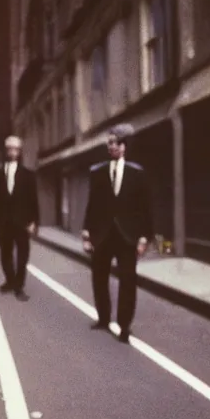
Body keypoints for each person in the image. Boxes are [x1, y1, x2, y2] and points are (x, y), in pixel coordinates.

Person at [81, 124, 153, 343]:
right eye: (109, 143)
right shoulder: (97, 172)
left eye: (114, 143)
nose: (110, 146)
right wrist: (86, 234)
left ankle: (124, 325)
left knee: (128, 281)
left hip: (127, 236)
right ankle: (103, 318)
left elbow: (145, 208)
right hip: (102, 234)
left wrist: (144, 238)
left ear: (124, 146)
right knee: (99, 278)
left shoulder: (137, 173)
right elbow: (92, 204)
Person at [0, 135, 39, 302]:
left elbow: (33, 199)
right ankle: (9, 280)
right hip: (3, 221)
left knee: (23, 255)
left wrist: (33, 222)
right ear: (5, 151)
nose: (12, 152)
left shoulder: (28, 174)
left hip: (22, 222)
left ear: (19, 151)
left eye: (15, 149)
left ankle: (19, 286)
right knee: (5, 254)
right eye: (9, 149)